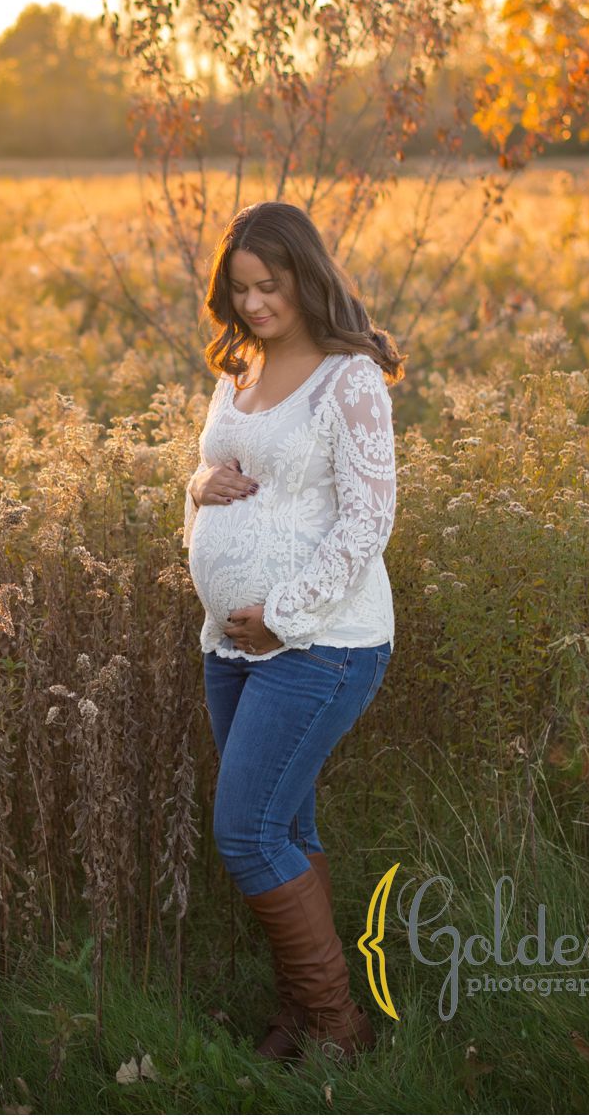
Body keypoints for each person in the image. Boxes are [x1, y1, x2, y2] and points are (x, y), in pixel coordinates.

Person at [182, 200, 403, 1065]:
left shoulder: (349, 378)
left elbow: (367, 521)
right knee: (284, 829)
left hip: (324, 642)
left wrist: (281, 614)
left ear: (305, 276)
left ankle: (339, 1025)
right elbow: (215, 474)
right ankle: (304, 1015)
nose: (255, 303)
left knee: (246, 831)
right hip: (230, 645)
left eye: (269, 284)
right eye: (240, 289)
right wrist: (197, 486)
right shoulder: (238, 367)